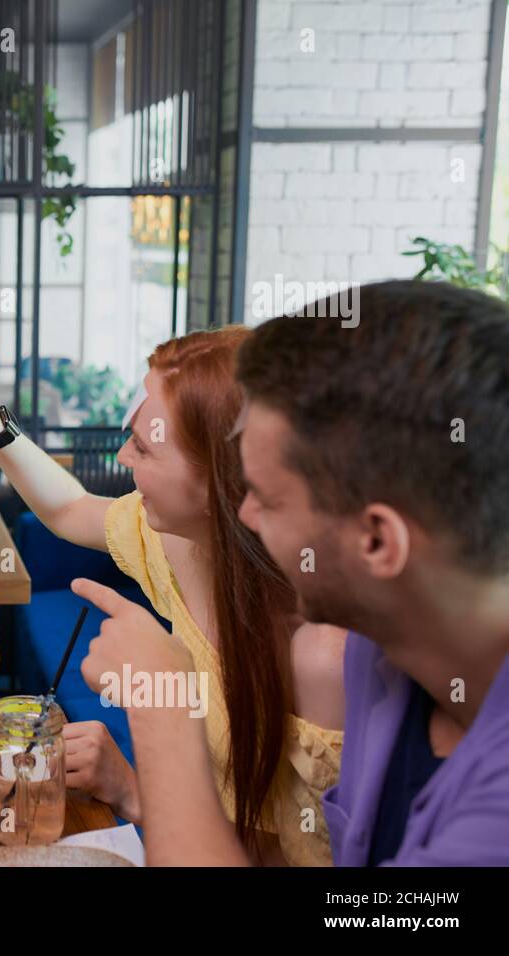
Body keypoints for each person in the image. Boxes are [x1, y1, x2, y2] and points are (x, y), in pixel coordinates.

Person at [79, 280, 509, 865]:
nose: (247, 516)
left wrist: (162, 706)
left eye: (267, 499)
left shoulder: (494, 819)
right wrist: (135, 790)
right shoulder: (378, 663)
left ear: (378, 541)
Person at [0, 318, 345, 865]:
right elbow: (70, 509)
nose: (123, 458)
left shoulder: (323, 657)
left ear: (224, 484)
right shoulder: (186, 545)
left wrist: (138, 783)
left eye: (145, 448)